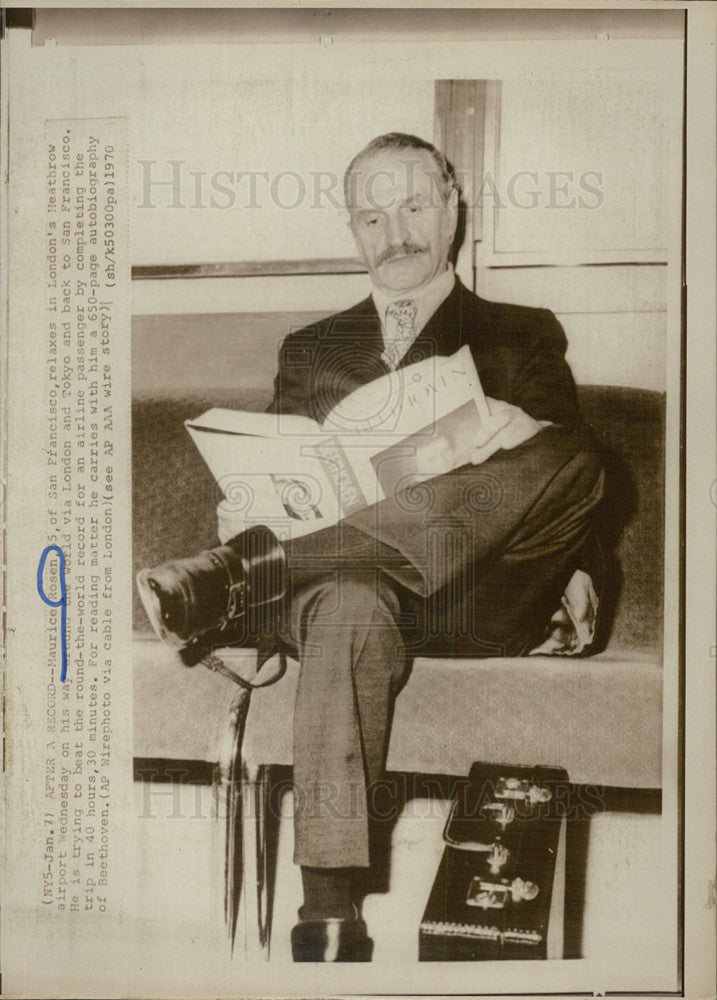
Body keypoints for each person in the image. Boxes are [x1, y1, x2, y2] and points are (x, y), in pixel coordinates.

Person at [137, 132, 604, 962]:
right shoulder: (311, 348)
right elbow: (283, 480)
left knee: (572, 454)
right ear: (352, 229)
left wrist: (518, 438)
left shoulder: (522, 331)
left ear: (452, 203)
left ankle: (235, 582)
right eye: (372, 215)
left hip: (478, 592)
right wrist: (248, 510)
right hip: (346, 602)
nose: (395, 233)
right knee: (349, 597)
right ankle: (329, 916)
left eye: (414, 206)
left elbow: (564, 485)